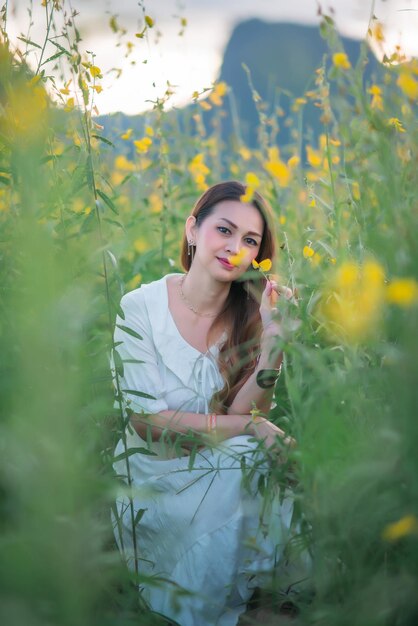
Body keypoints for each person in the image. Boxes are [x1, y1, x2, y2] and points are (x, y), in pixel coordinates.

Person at [111, 180, 296, 626]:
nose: (235, 247)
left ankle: (251, 597)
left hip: (220, 462)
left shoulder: (249, 317)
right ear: (193, 229)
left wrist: (273, 343)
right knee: (249, 453)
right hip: (153, 475)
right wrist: (253, 427)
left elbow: (240, 414)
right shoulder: (140, 307)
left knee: (248, 459)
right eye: (224, 230)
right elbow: (146, 422)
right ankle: (209, 605)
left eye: (250, 241)